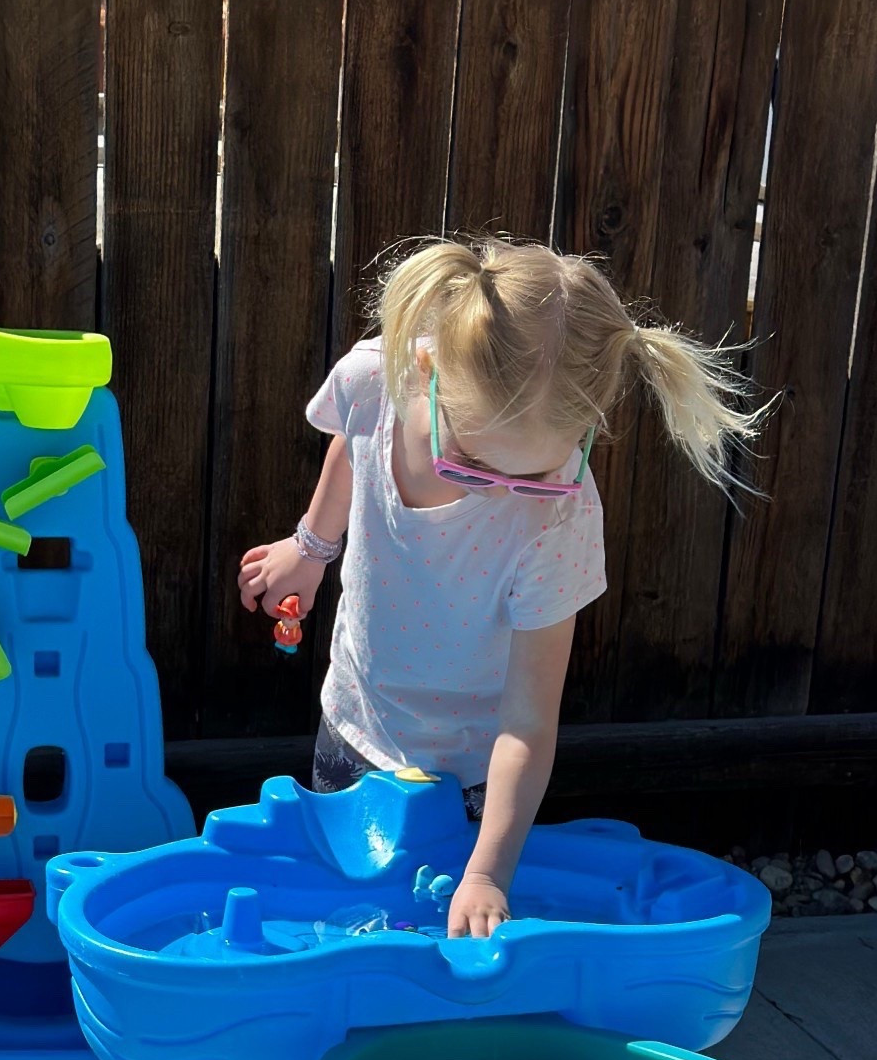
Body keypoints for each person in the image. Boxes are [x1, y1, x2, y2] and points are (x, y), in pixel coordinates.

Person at [238, 236, 771, 936]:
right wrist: (310, 548)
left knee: (440, 930)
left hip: (472, 776)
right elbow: (354, 445)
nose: (505, 492)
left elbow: (528, 721)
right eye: (473, 464)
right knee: (351, 915)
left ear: (587, 429)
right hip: (355, 721)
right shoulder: (376, 380)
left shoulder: (558, 518)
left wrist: (488, 872)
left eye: (533, 472)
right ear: (423, 370)